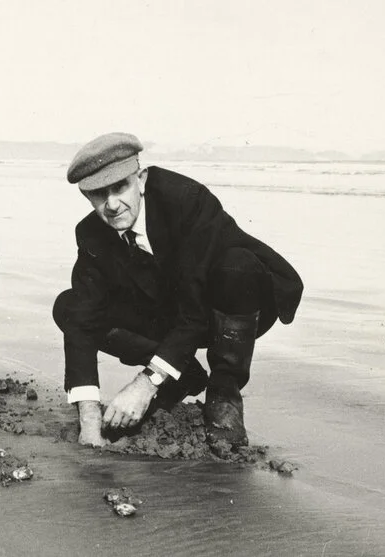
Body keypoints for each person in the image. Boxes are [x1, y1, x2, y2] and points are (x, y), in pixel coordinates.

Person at [53, 132, 303, 448]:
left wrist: (145, 384)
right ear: (86, 197)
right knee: (69, 305)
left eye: (120, 187)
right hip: (169, 310)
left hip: (229, 305)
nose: (112, 204)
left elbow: (194, 311)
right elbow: (83, 317)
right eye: (99, 195)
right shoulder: (89, 233)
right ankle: (183, 374)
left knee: (237, 265)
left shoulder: (187, 200)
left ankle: (224, 395)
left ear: (141, 179)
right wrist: (89, 419)